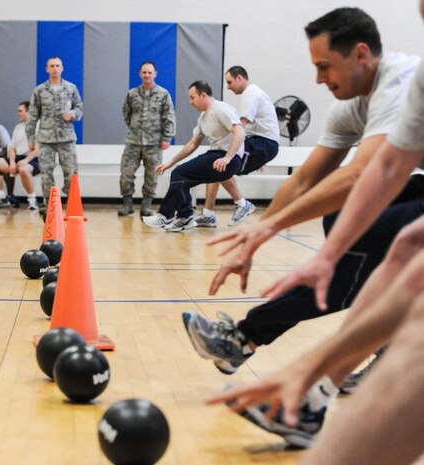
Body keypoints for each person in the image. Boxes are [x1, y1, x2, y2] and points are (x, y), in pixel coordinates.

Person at [182, 7, 422, 448]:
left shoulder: (402, 81)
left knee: (376, 240)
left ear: (361, 55)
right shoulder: (352, 107)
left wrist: (302, 247)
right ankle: (305, 379)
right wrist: (262, 229)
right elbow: (306, 178)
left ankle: (256, 343)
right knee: (360, 232)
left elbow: (368, 173)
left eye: (323, 66)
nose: (316, 80)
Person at [142, 81, 245, 232]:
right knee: (181, 177)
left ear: (203, 95)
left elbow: (240, 133)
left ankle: (167, 215)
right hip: (217, 156)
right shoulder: (203, 117)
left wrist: (228, 158)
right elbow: (192, 144)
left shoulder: (221, 108)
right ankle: (185, 218)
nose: (190, 102)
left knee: (181, 174)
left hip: (227, 159)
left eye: (192, 97)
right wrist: (170, 162)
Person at [197, 66, 280, 227]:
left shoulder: (251, 94)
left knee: (221, 164)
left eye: (229, 82)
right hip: (259, 142)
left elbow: (240, 125)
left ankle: (242, 204)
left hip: (263, 143)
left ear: (240, 78)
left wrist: (226, 146)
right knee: (216, 162)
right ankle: (208, 213)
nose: (228, 87)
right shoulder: (253, 93)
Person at [118, 61, 176, 217]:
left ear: (155, 74)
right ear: (140, 74)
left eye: (150, 72)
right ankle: (127, 204)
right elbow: (126, 114)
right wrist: (136, 128)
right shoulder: (132, 94)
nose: (147, 75)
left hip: (154, 143)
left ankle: (146, 206)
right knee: (126, 173)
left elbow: (169, 116)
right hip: (133, 142)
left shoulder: (163, 94)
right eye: (144, 72)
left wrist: (167, 137)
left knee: (152, 176)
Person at [25, 57, 83, 210]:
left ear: (62, 68)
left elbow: (80, 108)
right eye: (52, 66)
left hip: (67, 138)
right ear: (47, 69)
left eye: (57, 66)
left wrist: (73, 114)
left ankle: (71, 202)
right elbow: (32, 116)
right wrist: (31, 138)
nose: (55, 69)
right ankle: (50, 205)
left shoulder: (71, 88)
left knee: (71, 173)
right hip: (46, 139)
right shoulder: (40, 90)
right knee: (46, 174)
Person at [0, 101, 40, 210]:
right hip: (18, 158)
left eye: (20, 111)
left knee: (23, 169)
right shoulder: (18, 127)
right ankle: (1, 195)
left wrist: (26, 160)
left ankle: (32, 200)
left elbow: (39, 148)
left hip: (34, 159)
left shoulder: (40, 126)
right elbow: (12, 148)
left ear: (29, 112)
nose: (18, 113)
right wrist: (12, 162)